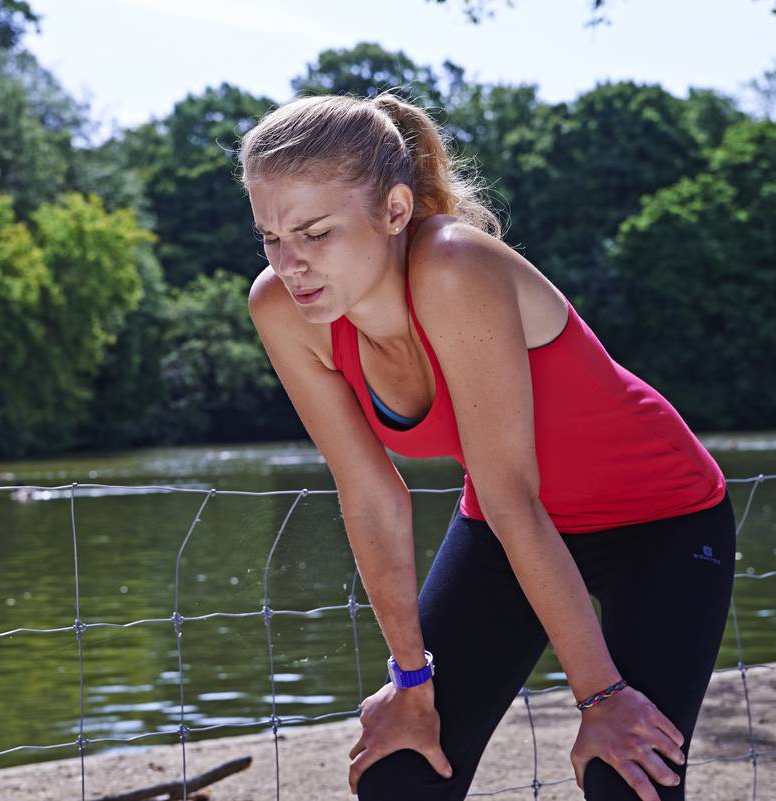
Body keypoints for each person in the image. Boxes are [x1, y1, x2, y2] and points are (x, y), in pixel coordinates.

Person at [237, 90, 736, 801]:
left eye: (316, 233)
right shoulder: (282, 310)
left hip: (659, 518)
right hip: (510, 528)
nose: (291, 263)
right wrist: (411, 683)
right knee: (401, 771)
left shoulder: (451, 267)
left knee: (625, 774)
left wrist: (601, 697)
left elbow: (511, 495)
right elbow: (371, 495)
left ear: (396, 211)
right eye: (270, 237)